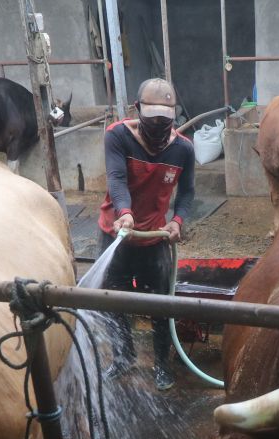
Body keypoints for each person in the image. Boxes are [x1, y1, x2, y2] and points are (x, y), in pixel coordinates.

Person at [98, 78, 195, 391]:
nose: (158, 127)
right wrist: (124, 213)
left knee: (160, 305)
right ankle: (123, 357)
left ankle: (162, 365)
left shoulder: (182, 149)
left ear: (173, 117)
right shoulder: (118, 136)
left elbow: (188, 192)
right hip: (118, 234)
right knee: (115, 300)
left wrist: (177, 221)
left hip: (155, 238)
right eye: (152, 119)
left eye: (165, 121)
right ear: (137, 110)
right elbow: (116, 179)